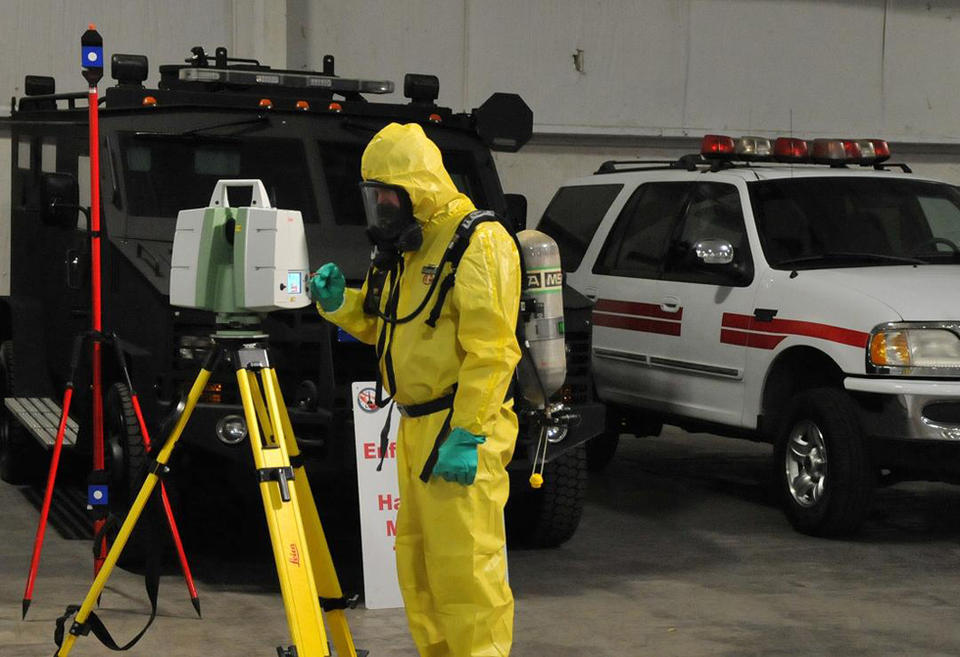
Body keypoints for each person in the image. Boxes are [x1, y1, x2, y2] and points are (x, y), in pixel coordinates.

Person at [309, 122, 521, 657]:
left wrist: (469, 433)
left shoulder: (479, 242)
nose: (379, 204)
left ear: (415, 186)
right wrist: (342, 305)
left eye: (385, 192)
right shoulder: (410, 245)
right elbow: (395, 325)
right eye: (372, 194)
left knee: (468, 574)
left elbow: (493, 351)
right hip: (415, 428)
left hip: (458, 428)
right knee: (421, 569)